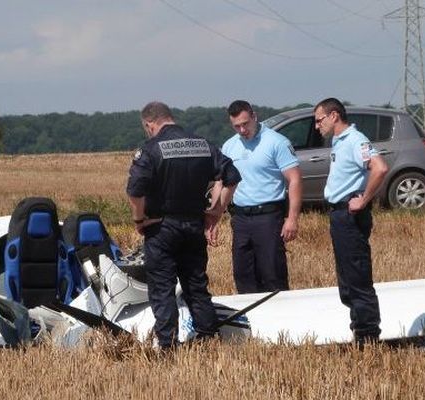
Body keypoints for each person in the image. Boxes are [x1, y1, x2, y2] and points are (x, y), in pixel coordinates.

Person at [126, 101, 241, 349]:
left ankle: (167, 345)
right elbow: (232, 176)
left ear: (149, 124)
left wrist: (139, 219)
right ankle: (208, 338)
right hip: (193, 225)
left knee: (162, 289)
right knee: (196, 285)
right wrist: (216, 211)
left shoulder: (150, 149)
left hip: (161, 228)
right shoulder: (202, 144)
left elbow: (135, 191)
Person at [314, 98, 388, 345]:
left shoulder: (355, 140)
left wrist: (364, 199)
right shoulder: (339, 142)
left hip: (350, 214)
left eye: (319, 120)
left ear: (334, 116)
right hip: (339, 215)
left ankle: (368, 336)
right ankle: (359, 331)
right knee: (347, 278)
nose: (317, 126)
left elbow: (379, 167)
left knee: (357, 277)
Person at [220, 100, 302, 294]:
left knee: (272, 273)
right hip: (240, 219)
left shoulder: (277, 142)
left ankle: (278, 320)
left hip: (268, 217)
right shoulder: (229, 146)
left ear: (254, 117)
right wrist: (214, 215)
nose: (242, 130)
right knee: (243, 274)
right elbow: (223, 184)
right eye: (236, 126)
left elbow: (295, 180)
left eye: (245, 124)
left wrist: (292, 219)